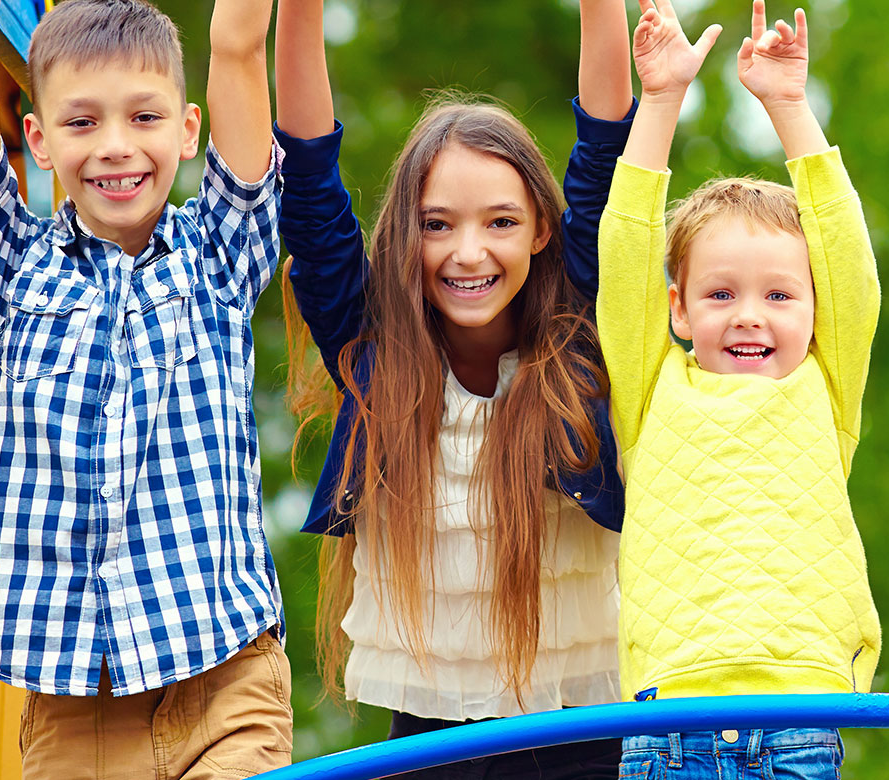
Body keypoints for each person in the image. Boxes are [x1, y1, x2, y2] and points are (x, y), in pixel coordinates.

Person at [273, 0, 634, 776]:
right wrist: (301, 13)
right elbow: (306, 179)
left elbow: (606, 153)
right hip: (432, 737)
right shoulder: (373, 348)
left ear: (541, 229)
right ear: (407, 233)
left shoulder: (579, 334)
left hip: (586, 732)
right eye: (438, 224)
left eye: (500, 222)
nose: (468, 252)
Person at [0, 0, 290, 775]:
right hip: (75, 710)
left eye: (145, 117)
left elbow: (237, 45)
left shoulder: (219, 259)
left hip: (223, 682)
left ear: (189, 130)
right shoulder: (9, 272)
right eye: (82, 123)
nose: (117, 146)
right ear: (39, 138)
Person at [598, 1, 880, 777]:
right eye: (721, 295)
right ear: (678, 311)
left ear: (818, 311)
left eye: (779, 296)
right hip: (668, 724)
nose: (750, 315)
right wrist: (658, 104)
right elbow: (625, 258)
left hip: (798, 716)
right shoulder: (652, 389)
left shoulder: (823, 387)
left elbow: (849, 262)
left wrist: (789, 107)